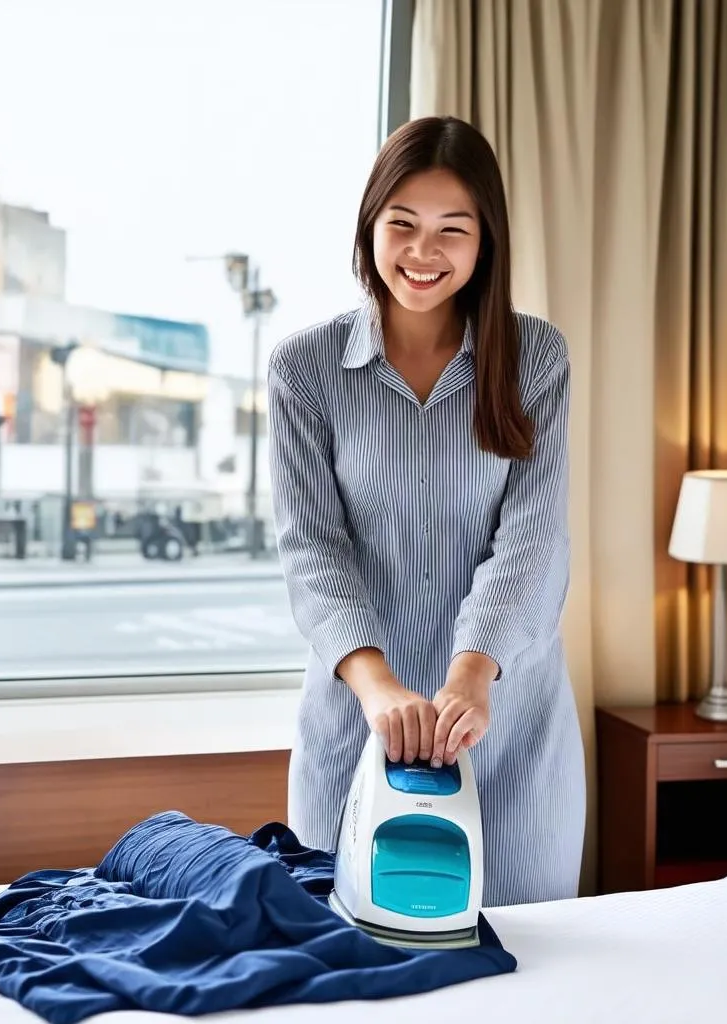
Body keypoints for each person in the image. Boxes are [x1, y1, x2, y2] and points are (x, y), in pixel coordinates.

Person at [266, 115, 585, 908]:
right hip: (357, 721)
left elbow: (532, 539)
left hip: (505, 723)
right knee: (347, 960)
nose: (423, 251)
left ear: (486, 243)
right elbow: (313, 548)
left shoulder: (535, 357)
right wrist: (378, 689)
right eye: (402, 223)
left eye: (453, 228)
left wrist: (472, 677)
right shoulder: (305, 368)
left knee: (523, 962)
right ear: (370, 226)